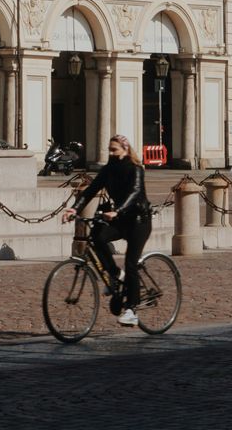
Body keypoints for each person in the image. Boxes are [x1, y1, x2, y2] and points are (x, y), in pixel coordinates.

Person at [62, 134, 152, 327]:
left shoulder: (135, 169)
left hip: (138, 221)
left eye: (115, 150)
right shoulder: (108, 170)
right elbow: (90, 190)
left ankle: (131, 310)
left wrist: (117, 211)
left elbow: (135, 193)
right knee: (96, 237)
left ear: (125, 150)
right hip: (119, 219)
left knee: (131, 264)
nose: (111, 153)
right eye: (109, 149)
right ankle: (114, 274)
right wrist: (74, 208)